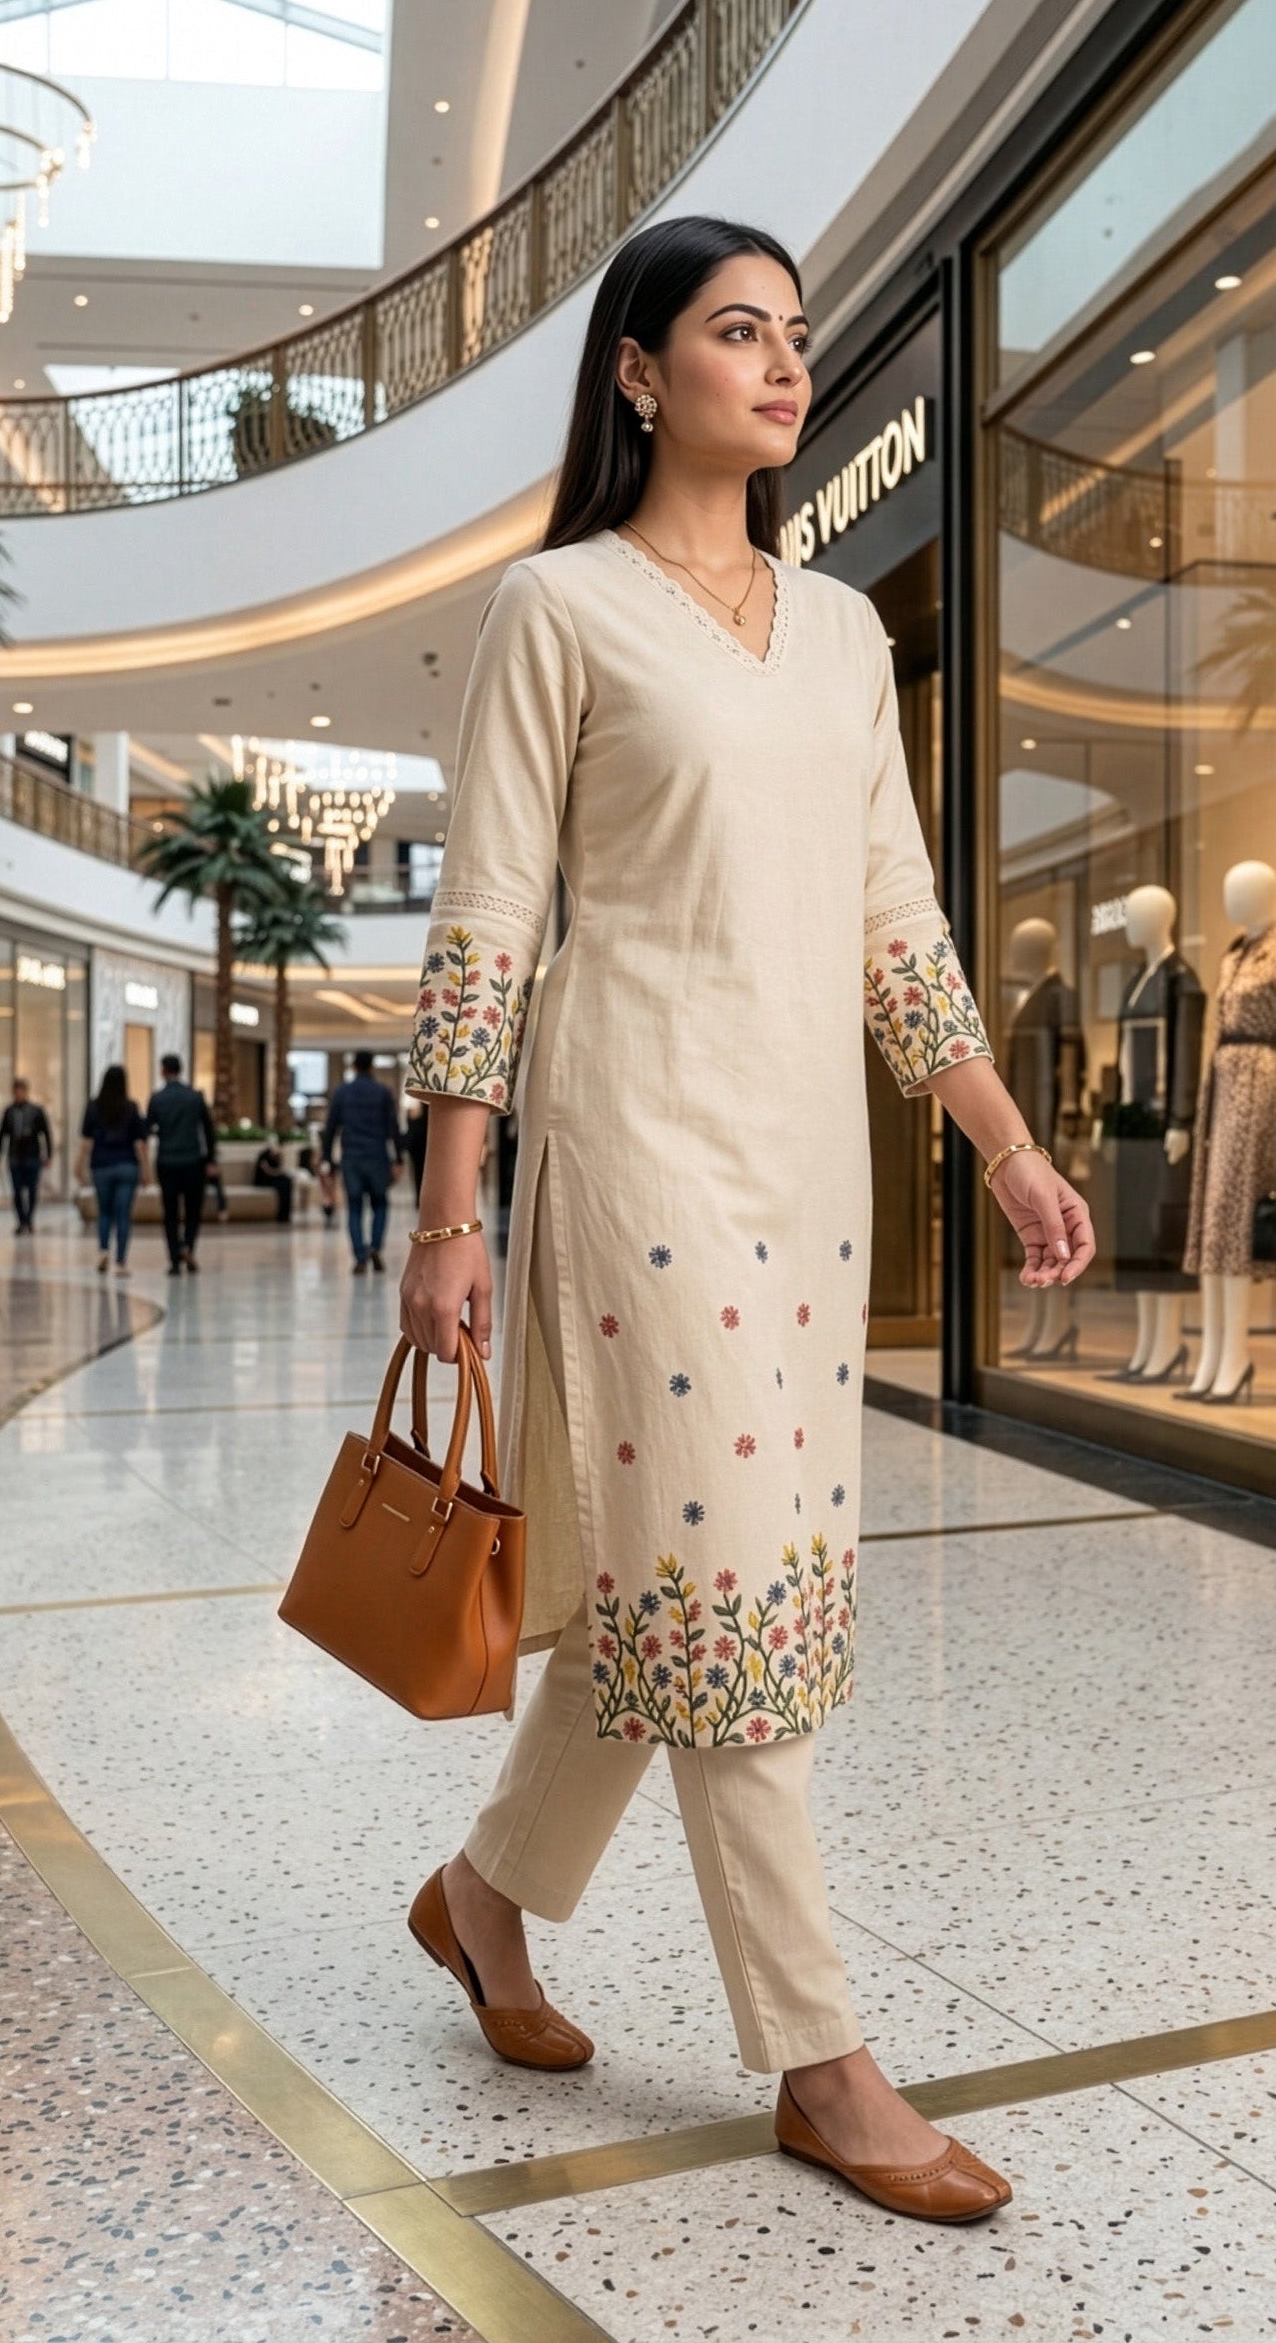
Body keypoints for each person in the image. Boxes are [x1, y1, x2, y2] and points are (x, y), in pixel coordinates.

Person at [398, 218, 1095, 2227]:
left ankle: (482, 1897)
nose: (783, 367)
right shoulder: (562, 611)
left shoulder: (849, 631)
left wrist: (999, 1139)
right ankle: (822, 2055)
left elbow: (901, 924)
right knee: (733, 1615)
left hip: (806, 1179)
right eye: (735, 332)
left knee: (679, 1607)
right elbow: (490, 929)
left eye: (795, 336)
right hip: (638, 1165)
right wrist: (451, 1209)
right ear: (639, 373)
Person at [323, 1050, 403, 1273]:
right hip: (378, 1157)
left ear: (354, 1066)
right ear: (371, 1067)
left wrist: (327, 1160)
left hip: (352, 1159)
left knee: (355, 1207)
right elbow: (393, 1128)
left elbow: (331, 1129)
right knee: (380, 1204)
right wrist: (398, 1158)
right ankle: (375, 1247)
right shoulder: (382, 1093)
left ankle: (359, 1255)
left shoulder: (342, 1093)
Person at [146, 1052, 217, 1275]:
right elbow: (208, 1130)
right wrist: (211, 1159)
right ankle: (188, 1246)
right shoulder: (195, 1097)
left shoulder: (157, 1099)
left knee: (170, 1211)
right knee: (193, 1209)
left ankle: (175, 1259)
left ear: (163, 1070)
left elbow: (148, 1128)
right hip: (193, 1161)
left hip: (167, 1161)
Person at [76, 1065, 150, 1275]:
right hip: (127, 1165)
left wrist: (78, 1167)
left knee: (105, 1212)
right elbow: (141, 1143)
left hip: (101, 1165)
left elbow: (85, 1142)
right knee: (123, 1215)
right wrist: (146, 1171)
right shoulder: (132, 1107)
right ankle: (121, 1262)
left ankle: (103, 1251)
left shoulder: (93, 1106)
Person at [0, 1077, 52, 1232]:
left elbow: (46, 1134)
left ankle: (28, 1219)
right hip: (15, 1157)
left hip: (33, 1156)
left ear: (26, 1092)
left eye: (21, 1091)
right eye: (16, 1091)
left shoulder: (36, 1111)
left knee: (32, 1190)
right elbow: (1, 1135)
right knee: (17, 1190)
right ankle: (21, 1221)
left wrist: (48, 1155)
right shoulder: (9, 1112)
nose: (19, 1094)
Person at [252, 1137, 294, 1223]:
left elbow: (279, 1169)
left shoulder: (277, 1156)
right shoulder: (263, 1155)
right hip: (263, 1180)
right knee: (282, 1184)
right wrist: (280, 1173)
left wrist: (278, 1157)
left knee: (287, 1181)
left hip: (274, 1178)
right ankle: (281, 1215)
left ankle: (285, 1214)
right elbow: (268, 1171)